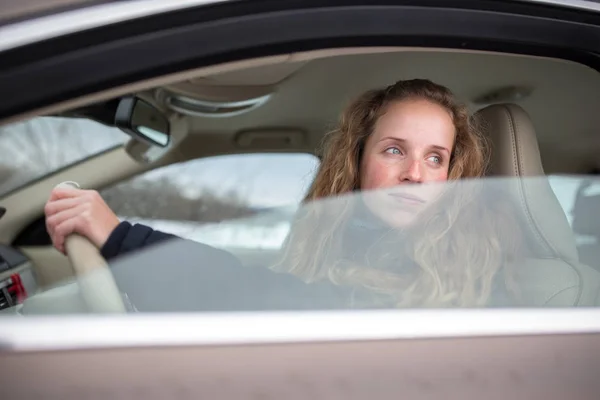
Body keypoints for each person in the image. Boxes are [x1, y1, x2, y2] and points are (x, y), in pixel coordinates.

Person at [44, 79, 524, 310]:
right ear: (356, 160)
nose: (416, 174)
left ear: (452, 174)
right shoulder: (352, 240)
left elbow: (261, 296)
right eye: (395, 150)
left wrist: (120, 235)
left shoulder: (465, 273)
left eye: (436, 157)